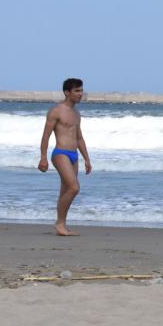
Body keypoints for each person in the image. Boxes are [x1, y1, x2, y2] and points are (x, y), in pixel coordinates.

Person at [38, 77, 92, 235]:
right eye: (77, 91)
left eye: (81, 90)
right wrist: (43, 157)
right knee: (74, 188)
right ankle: (59, 223)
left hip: (74, 154)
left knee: (65, 190)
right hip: (60, 153)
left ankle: (62, 225)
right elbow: (46, 136)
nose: (81, 94)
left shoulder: (76, 114)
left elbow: (79, 138)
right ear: (67, 92)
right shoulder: (56, 111)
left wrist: (87, 159)